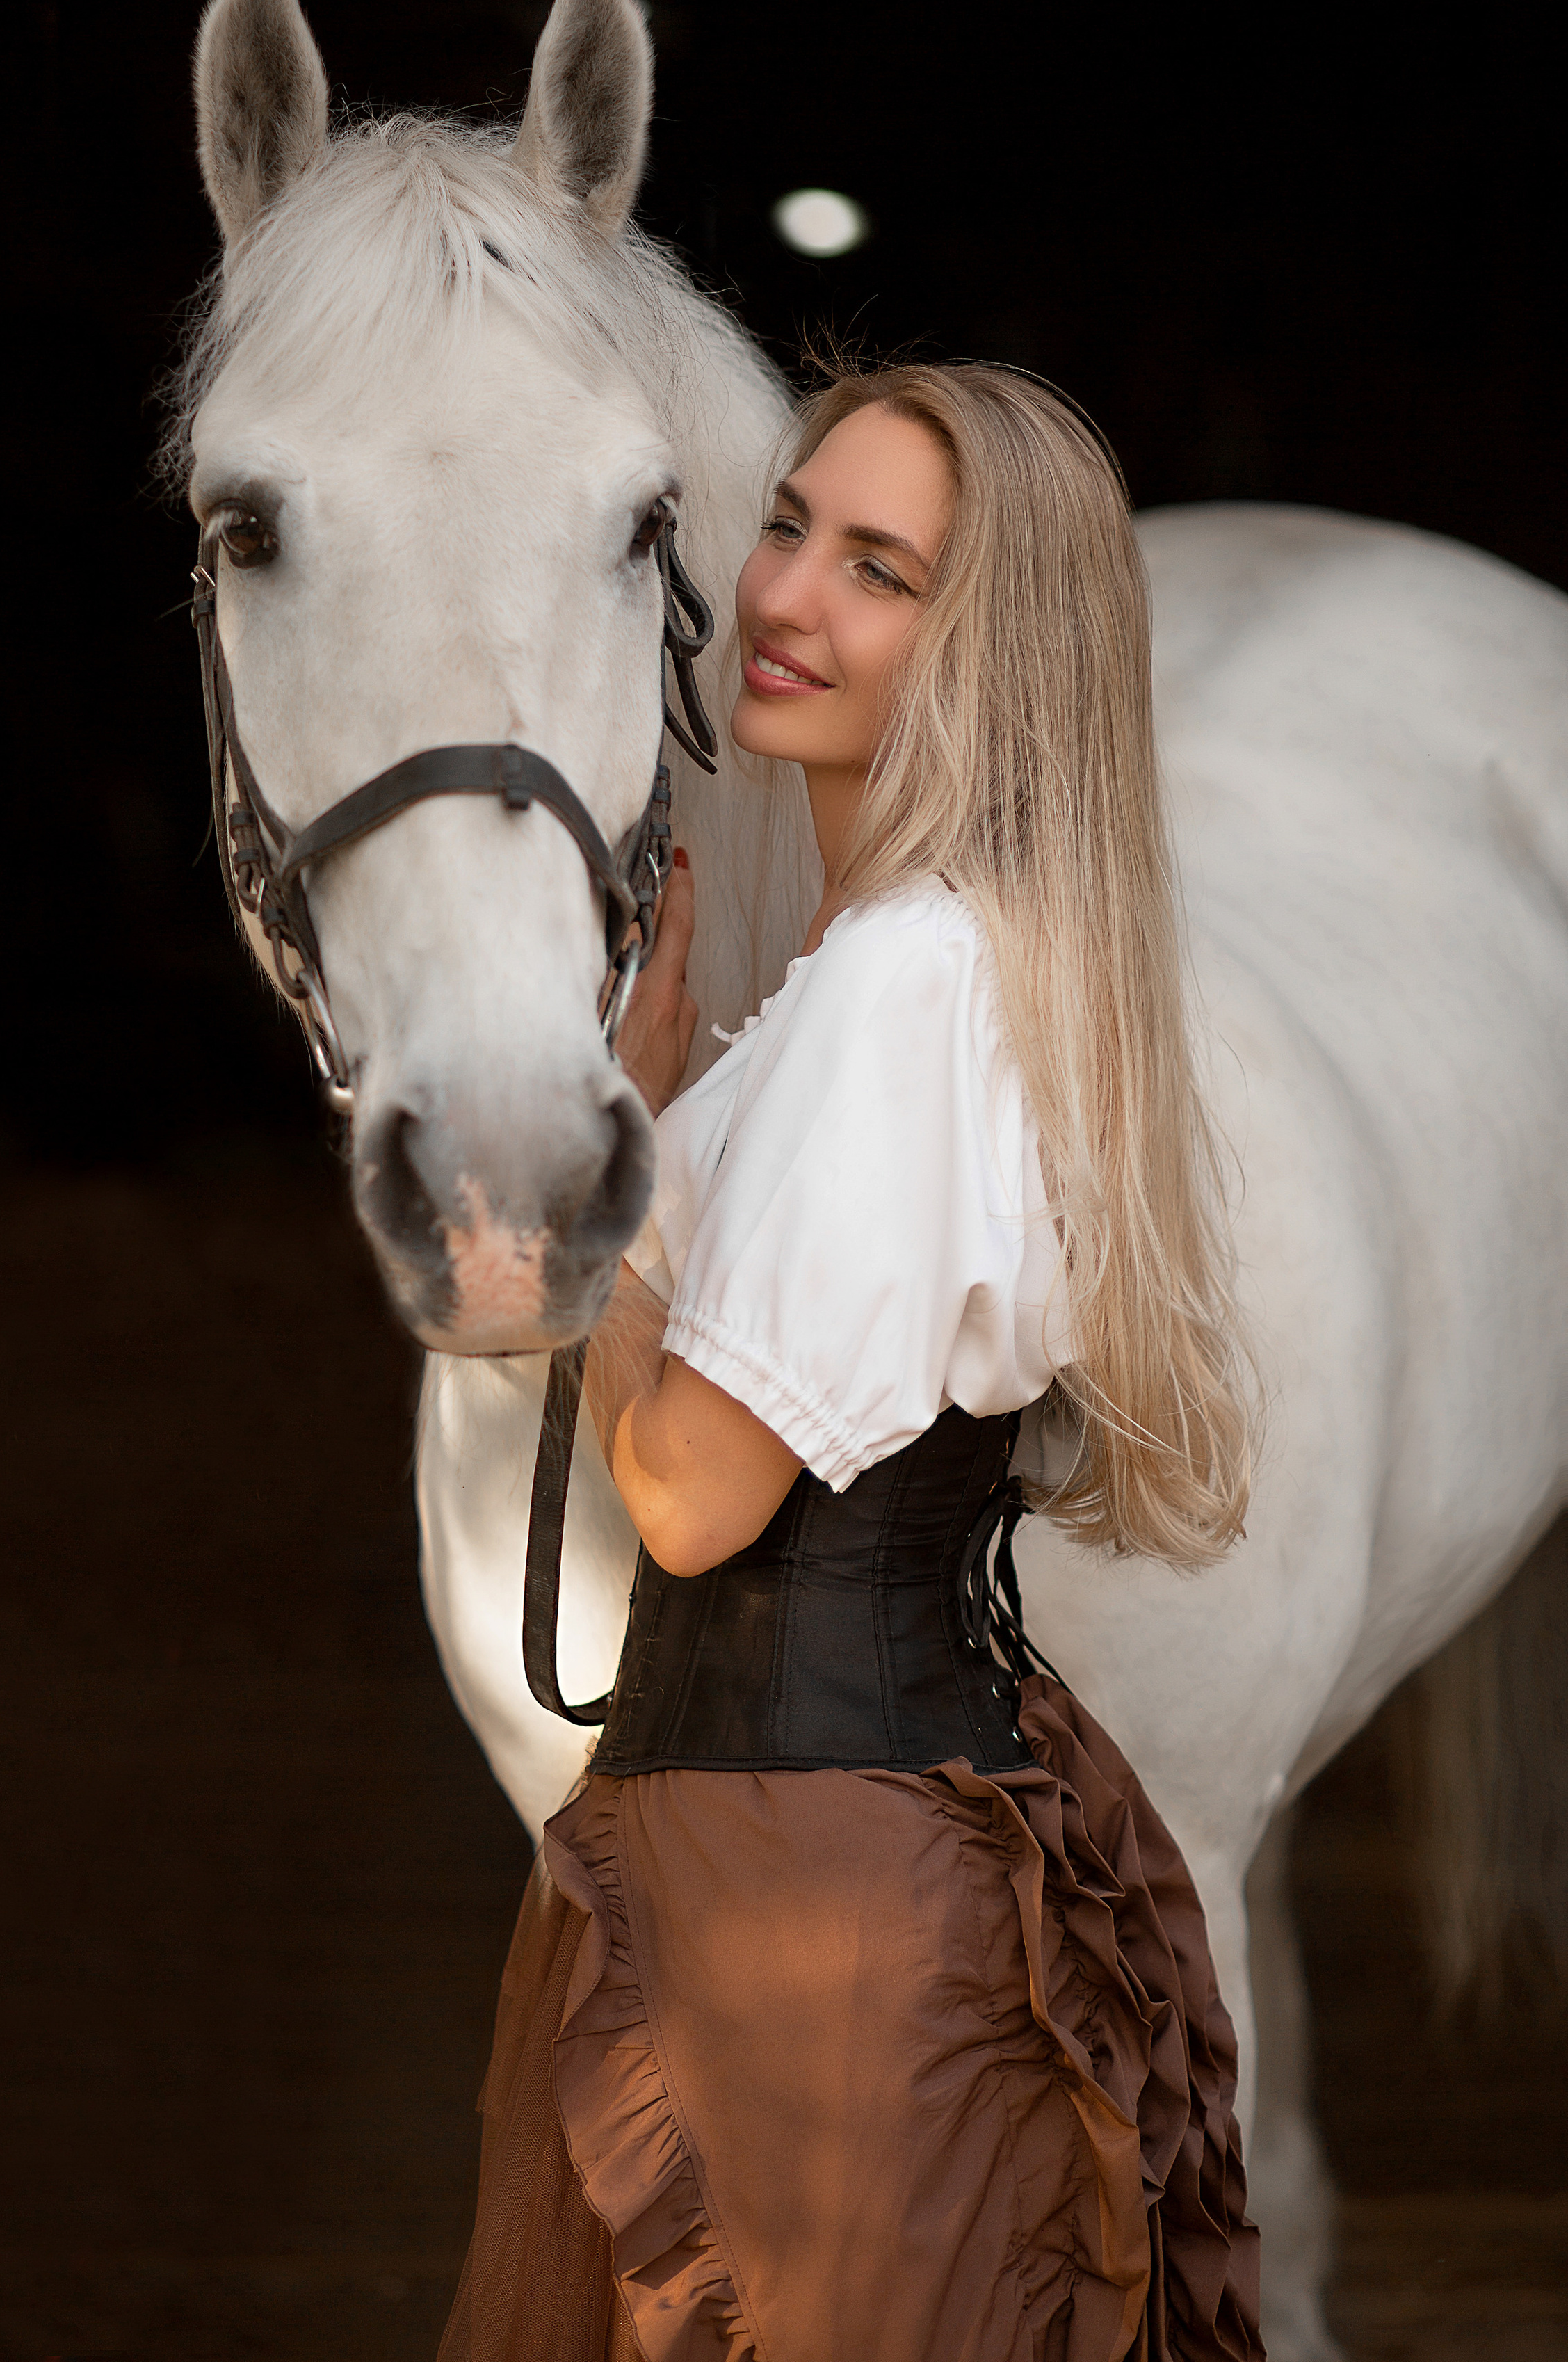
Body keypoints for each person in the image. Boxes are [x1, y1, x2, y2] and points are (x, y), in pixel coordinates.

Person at [439, 362, 1262, 2362]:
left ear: (994, 652)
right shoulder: (917, 965)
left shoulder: (906, 988)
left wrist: (616, 1183)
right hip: (812, 1822)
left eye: (881, 570)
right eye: (793, 523)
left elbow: (696, 1501)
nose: (789, 595)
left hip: (798, 1884)